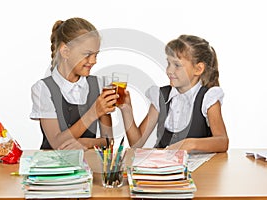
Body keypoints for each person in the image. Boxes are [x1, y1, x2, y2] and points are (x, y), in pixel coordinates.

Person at [120, 35, 229, 153]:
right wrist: (127, 110)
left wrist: (190, 144)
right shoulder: (161, 96)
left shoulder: (207, 98)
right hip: (162, 168)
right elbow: (137, 143)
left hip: (197, 169)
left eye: (177, 65)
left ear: (198, 69)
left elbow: (222, 142)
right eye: (169, 64)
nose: (169, 71)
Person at [30, 17, 118, 150]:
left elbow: (109, 141)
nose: (94, 61)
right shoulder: (44, 89)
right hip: (51, 168)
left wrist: (86, 143)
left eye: (96, 55)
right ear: (65, 51)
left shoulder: (99, 85)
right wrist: (94, 112)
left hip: (87, 166)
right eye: (87, 54)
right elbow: (56, 143)